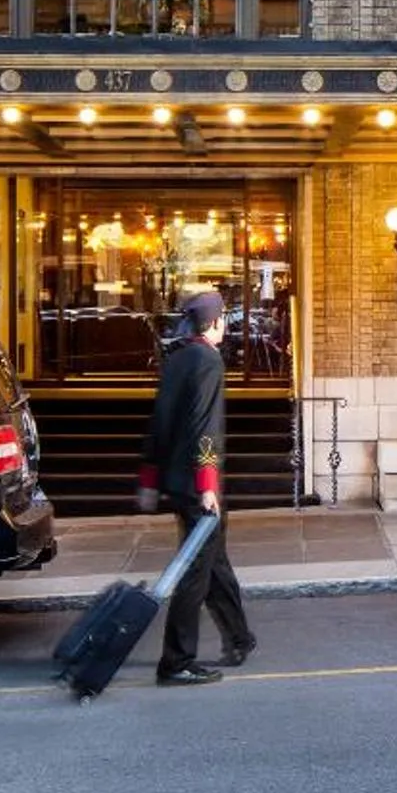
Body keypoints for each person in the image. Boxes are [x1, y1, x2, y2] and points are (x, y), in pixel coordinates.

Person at [137, 289, 256, 686]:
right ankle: (176, 661)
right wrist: (207, 485)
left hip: (176, 480)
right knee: (196, 573)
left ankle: (239, 637)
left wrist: (150, 478)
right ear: (216, 322)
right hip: (197, 483)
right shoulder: (208, 360)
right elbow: (206, 426)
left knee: (213, 560)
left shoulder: (177, 358)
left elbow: (160, 421)